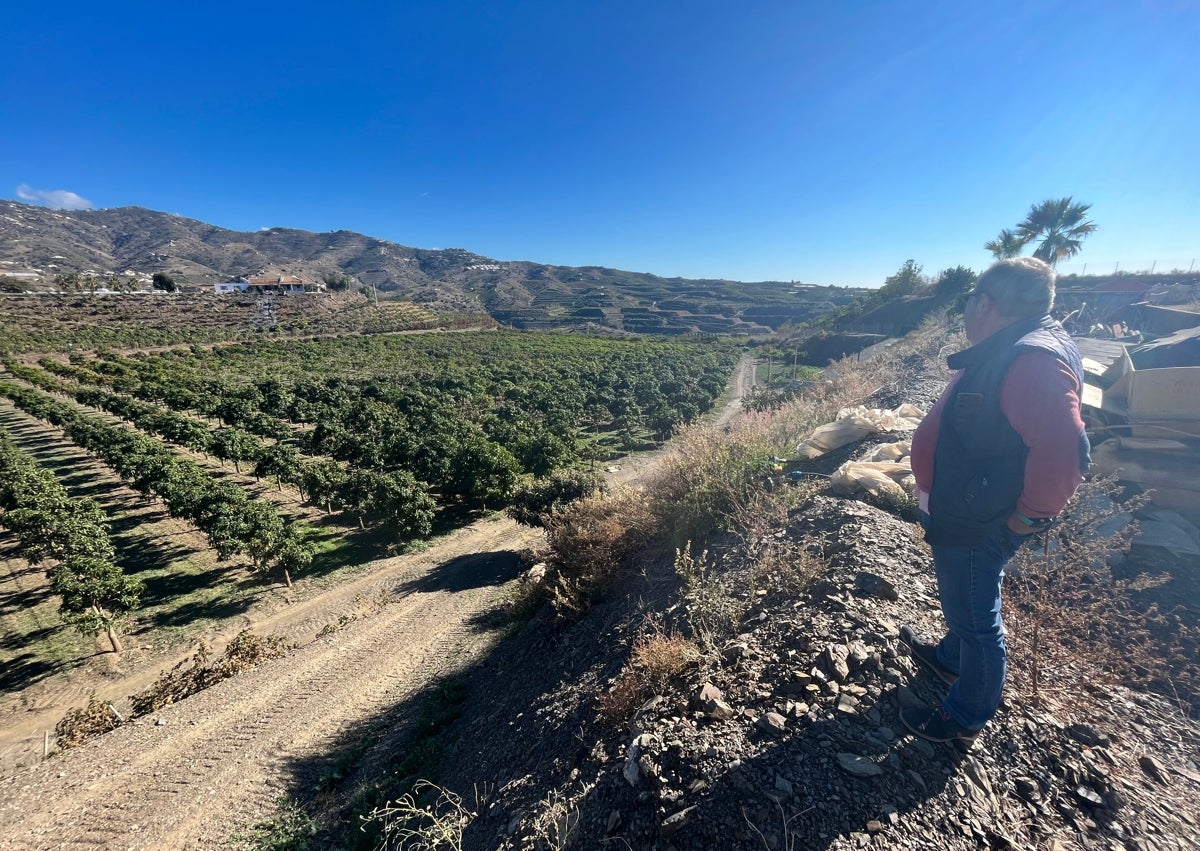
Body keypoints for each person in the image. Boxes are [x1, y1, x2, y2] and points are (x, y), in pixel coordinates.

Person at [902, 256, 1091, 745]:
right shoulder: (1020, 345)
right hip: (970, 507)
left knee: (976, 617)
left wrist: (1028, 518)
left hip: (980, 520)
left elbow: (1065, 452)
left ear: (983, 303)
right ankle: (948, 658)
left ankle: (966, 712)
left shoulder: (1032, 362)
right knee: (962, 597)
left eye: (968, 301)